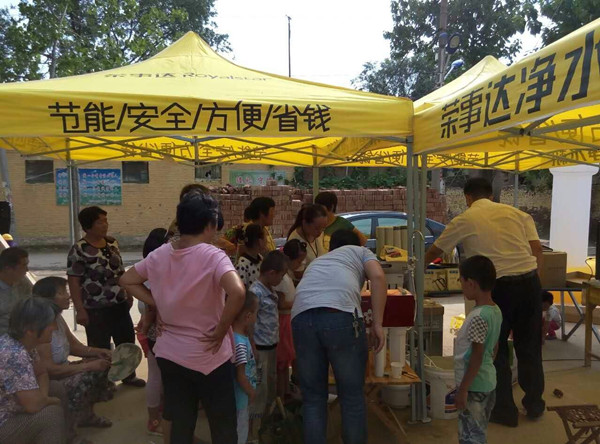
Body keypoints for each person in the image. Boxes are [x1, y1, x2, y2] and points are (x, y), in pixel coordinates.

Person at [119, 192, 246, 444]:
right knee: (222, 426)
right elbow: (238, 292)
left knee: (180, 423)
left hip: (170, 354)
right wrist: (222, 329)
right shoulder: (213, 255)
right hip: (209, 356)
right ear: (210, 224)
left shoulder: (159, 254)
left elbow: (127, 280)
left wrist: (158, 302)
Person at [424, 177, 545, 426]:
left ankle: (505, 411)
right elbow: (537, 249)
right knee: (529, 347)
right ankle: (534, 404)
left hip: (499, 287)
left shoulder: (465, 218)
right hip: (529, 283)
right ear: (491, 195)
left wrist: (416, 269)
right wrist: (535, 282)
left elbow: (436, 250)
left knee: (494, 349)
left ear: (468, 197)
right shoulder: (518, 214)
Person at [291, 229, 387, 444]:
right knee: (351, 397)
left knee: (313, 399)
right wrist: (378, 324)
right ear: (357, 244)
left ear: (331, 247)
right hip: (340, 316)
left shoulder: (319, 261)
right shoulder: (361, 252)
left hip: (302, 318)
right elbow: (378, 276)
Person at [66, 206, 145, 388]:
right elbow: (74, 281)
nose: (105, 225)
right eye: (100, 222)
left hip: (119, 303)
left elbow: (120, 271)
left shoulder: (112, 243)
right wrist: (80, 309)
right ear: (88, 226)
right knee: (99, 346)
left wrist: (128, 294)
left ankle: (128, 375)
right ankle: (101, 383)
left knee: (125, 341)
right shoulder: (79, 249)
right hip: (94, 308)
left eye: (105, 221)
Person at [33, 277, 113, 430]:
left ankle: (86, 414)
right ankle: (70, 428)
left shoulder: (58, 318)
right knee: (86, 376)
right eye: (62, 292)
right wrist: (88, 366)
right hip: (50, 379)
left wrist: (100, 352)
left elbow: (74, 347)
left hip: (64, 369)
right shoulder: (40, 325)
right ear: (48, 298)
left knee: (103, 363)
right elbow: (49, 370)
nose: (68, 296)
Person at [0, 297, 68, 444]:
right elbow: (33, 405)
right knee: (51, 415)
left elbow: (42, 372)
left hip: (13, 406)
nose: (55, 328)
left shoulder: (26, 344)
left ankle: (68, 438)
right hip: (4, 421)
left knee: (56, 388)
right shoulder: (14, 354)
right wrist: (50, 401)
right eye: (50, 324)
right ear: (30, 329)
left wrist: (42, 398)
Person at [454, 256, 503, 444]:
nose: (461, 285)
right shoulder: (495, 311)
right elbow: (494, 346)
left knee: (471, 437)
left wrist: (463, 389)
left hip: (474, 387)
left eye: (461, 281)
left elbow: (477, 355)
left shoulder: (478, 317)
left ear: (471, 283)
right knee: (478, 431)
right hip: (488, 382)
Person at [249, 250, 288, 422]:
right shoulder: (256, 292)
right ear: (271, 273)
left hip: (271, 346)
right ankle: (255, 424)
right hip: (260, 348)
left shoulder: (270, 289)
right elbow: (250, 323)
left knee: (270, 384)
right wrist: (252, 346)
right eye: (281, 275)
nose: (282, 280)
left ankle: (266, 419)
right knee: (260, 387)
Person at [136, 228, 168, 436]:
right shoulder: (158, 274)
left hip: (152, 332)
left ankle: (158, 412)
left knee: (159, 375)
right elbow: (151, 309)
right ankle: (154, 419)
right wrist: (147, 325)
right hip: (158, 333)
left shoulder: (145, 271)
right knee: (157, 376)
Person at [274, 239, 307, 398]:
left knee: (287, 357)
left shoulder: (287, 276)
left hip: (288, 319)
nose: (300, 265)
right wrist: (298, 302)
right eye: (299, 261)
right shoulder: (281, 279)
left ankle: (286, 391)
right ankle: (282, 393)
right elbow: (280, 304)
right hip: (283, 321)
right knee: (283, 360)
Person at [233, 291, 259, 444]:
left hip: (240, 397)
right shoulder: (240, 344)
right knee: (240, 430)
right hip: (241, 397)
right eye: (256, 313)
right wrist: (251, 392)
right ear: (248, 316)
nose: (256, 317)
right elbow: (240, 375)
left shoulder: (238, 337)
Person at [0, 247, 32, 336]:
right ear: (8, 269)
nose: (27, 270)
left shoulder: (23, 283)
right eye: (24, 265)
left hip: (24, 334)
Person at [287, 203, 328, 273]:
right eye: (317, 228)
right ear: (305, 223)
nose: (320, 232)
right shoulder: (295, 241)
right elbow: (298, 273)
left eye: (323, 228)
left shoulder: (318, 234)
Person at [235, 224, 266, 289]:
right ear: (260, 241)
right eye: (265, 238)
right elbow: (241, 290)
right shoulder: (242, 264)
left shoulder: (260, 258)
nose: (267, 241)